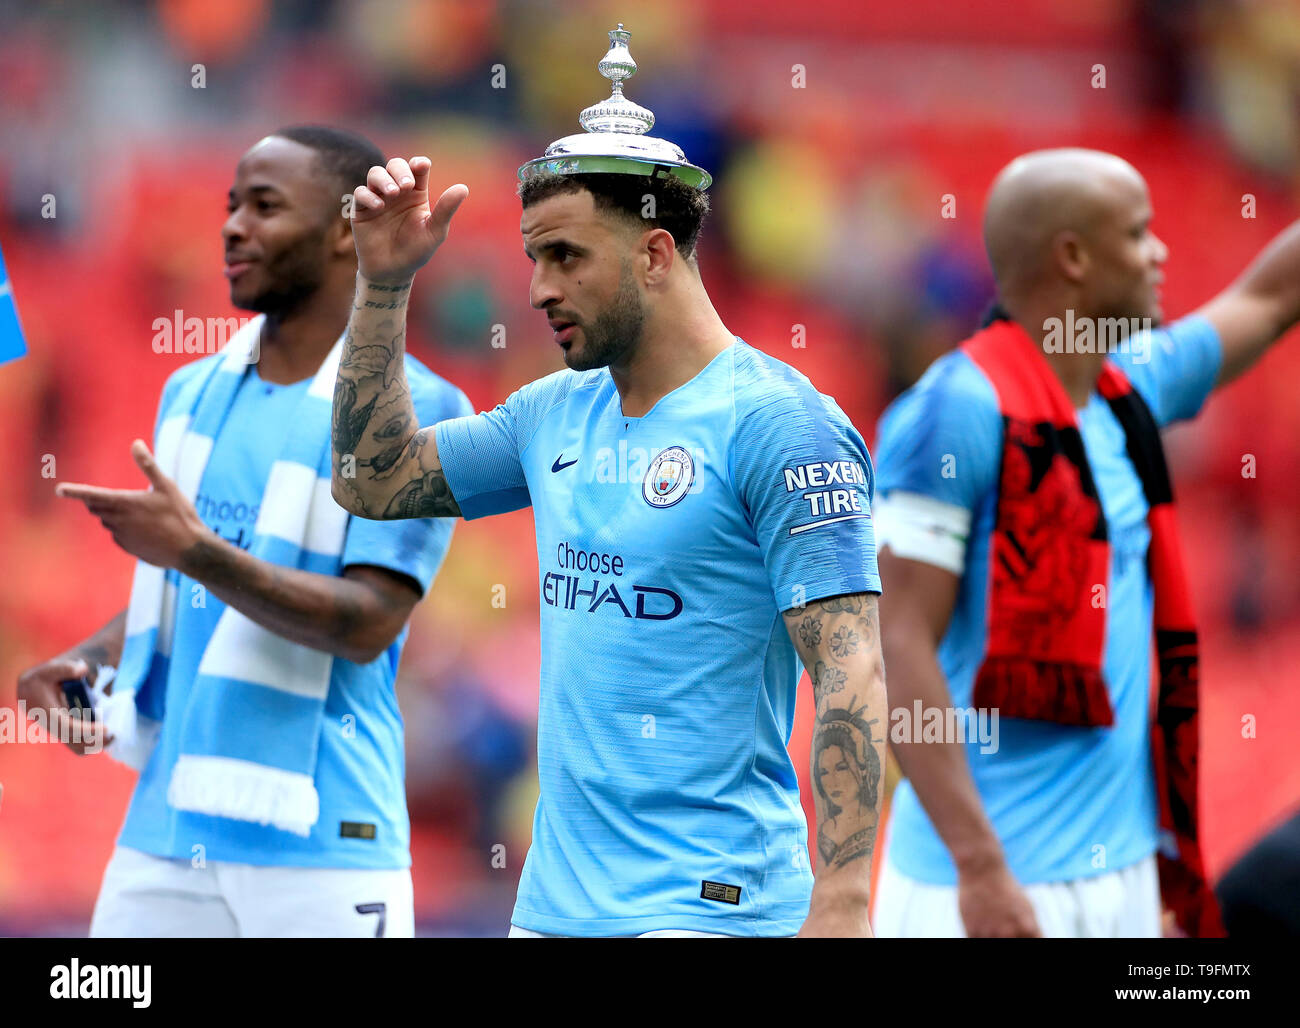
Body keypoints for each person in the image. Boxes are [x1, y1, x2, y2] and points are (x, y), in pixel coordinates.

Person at [327, 137, 886, 932]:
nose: (537, 289)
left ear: (655, 253)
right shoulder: (550, 410)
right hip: (554, 910)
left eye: (564, 256)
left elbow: (849, 666)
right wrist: (382, 284)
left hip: (711, 908)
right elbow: (372, 479)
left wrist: (842, 900)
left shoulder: (781, 427)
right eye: (533, 258)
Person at [17, 126, 471, 938]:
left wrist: (194, 550)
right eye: (230, 206)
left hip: (326, 845)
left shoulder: (418, 410)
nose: (232, 226)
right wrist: (89, 659)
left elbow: (368, 623)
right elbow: (183, 591)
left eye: (265, 206)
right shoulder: (193, 392)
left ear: (344, 229)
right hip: (167, 831)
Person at [871, 147, 1300, 938]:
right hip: (984, 887)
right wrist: (981, 868)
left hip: (1121, 876)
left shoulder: (1131, 387)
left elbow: (1272, 299)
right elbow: (898, 644)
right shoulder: (953, 413)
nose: (1160, 253)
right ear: (1073, 257)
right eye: (1138, 235)